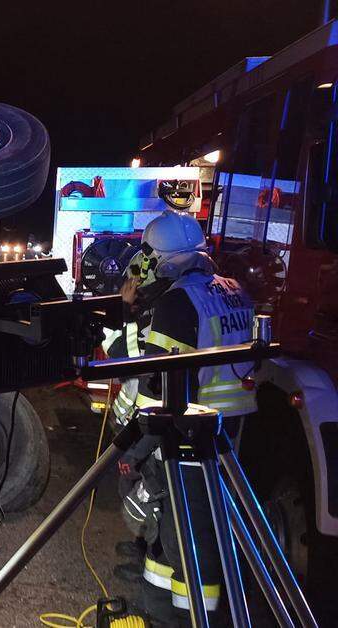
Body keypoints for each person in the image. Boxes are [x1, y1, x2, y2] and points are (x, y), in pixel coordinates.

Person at [114, 209, 256, 620]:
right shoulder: (232, 289)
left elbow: (152, 382)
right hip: (226, 428)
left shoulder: (177, 303)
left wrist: (134, 450)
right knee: (179, 526)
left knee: (193, 535)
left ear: (158, 258)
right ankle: (159, 600)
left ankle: (192, 614)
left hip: (185, 432)